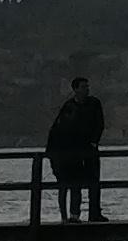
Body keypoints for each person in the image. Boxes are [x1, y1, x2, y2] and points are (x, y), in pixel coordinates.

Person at [45, 74, 104, 225]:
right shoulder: (69, 107)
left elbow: (100, 124)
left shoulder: (94, 104)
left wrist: (93, 142)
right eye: (83, 87)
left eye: (87, 87)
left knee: (94, 181)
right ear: (75, 89)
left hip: (89, 149)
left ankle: (95, 213)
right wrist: (52, 152)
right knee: (73, 183)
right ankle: (72, 216)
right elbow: (58, 129)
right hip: (73, 152)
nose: (87, 89)